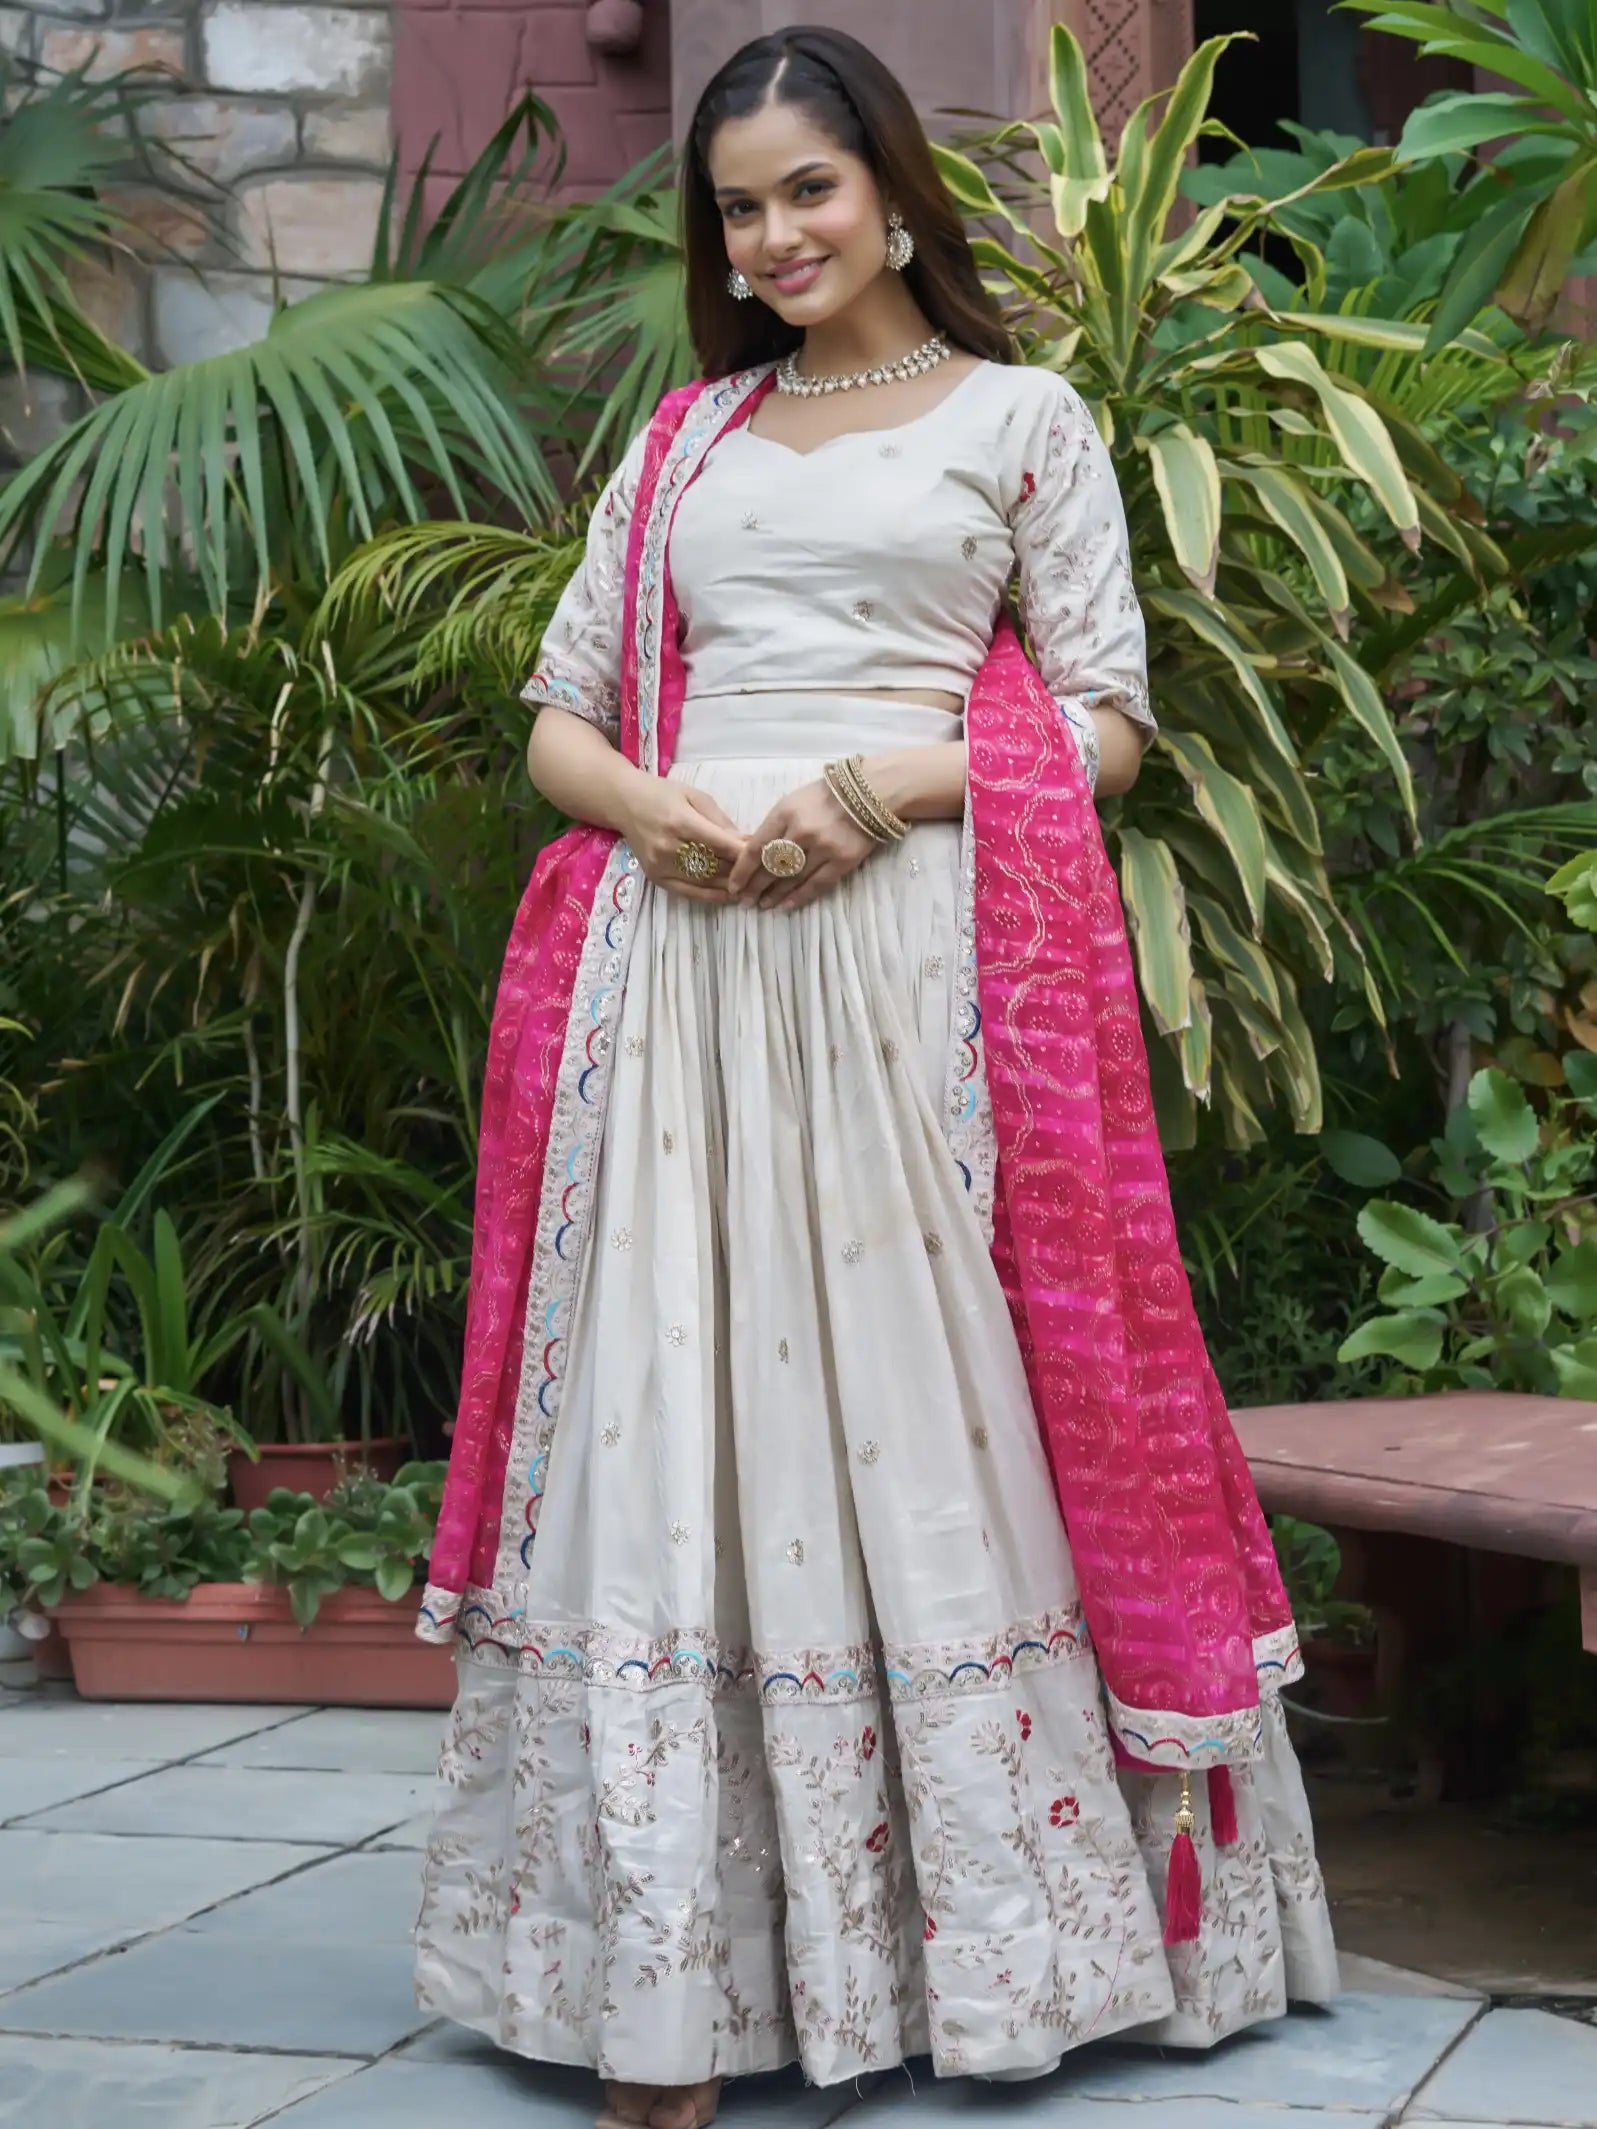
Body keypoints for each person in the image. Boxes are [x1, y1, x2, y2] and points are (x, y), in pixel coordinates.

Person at [413, 25, 1338, 2129]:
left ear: (894, 191)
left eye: (805, 190)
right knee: (670, 1412)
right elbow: (559, 718)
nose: (772, 234)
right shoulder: (681, 446)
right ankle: (675, 1969)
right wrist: (648, 813)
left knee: (924, 1404)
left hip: (902, 952)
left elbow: (1098, 728)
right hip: (683, 974)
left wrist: (879, 782)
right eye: (737, 206)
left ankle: (974, 1941)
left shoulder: (1022, 419)